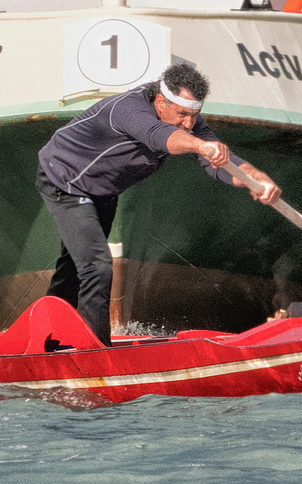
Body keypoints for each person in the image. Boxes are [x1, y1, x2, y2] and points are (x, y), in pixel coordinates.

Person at [35, 61, 281, 345]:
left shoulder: (188, 122)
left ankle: (45, 337)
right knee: (97, 268)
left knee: (75, 270)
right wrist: (200, 145)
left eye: (195, 116)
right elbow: (162, 137)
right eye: (182, 115)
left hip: (102, 191)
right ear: (161, 102)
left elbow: (219, 165)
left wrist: (256, 179)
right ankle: (93, 353)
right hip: (64, 180)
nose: (189, 124)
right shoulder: (128, 110)